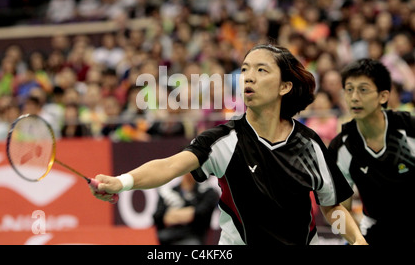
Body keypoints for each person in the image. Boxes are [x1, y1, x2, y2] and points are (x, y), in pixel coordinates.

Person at [90, 44, 367, 245]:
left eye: (261, 70)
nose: (248, 77)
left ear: (284, 87)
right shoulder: (224, 140)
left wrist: (357, 241)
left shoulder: (309, 144)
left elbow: (332, 206)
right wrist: (122, 182)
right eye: (245, 70)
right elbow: (171, 165)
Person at [328, 59, 415, 245]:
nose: (354, 97)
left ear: (383, 96)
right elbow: (335, 209)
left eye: (363, 89)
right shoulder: (341, 147)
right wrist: (355, 239)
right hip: (374, 233)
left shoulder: (409, 130)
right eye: (349, 89)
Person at [153, 173, 219, 245]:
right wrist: (189, 213)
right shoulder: (167, 192)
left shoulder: (207, 192)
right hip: (168, 238)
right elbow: (159, 217)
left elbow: (201, 214)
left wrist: (173, 215)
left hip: (194, 238)